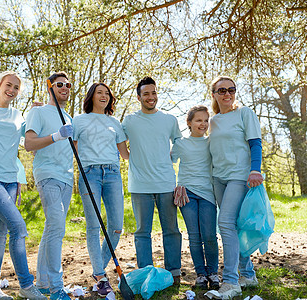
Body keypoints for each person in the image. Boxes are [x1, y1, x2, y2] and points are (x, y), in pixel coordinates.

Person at [0, 71, 46, 300]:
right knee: (18, 227)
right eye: (8, 85)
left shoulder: (18, 116)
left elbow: (32, 139)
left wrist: (38, 112)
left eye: (16, 87)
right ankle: (26, 285)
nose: (12, 90)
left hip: (10, 181)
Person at [121, 76, 182, 284]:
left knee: (171, 229)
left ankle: (174, 271)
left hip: (166, 183)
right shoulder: (130, 120)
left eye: (153, 92)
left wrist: (171, 158)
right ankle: (145, 272)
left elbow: (179, 141)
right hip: (140, 185)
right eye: (146, 93)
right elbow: (118, 139)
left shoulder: (169, 119)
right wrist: (128, 156)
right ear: (139, 97)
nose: (151, 97)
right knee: (142, 232)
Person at [209, 76, 263, 298]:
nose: (227, 94)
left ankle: (231, 282)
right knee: (234, 226)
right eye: (221, 90)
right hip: (218, 178)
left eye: (231, 90)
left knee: (225, 223)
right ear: (213, 94)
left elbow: (255, 143)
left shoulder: (244, 113)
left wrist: (255, 169)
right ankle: (248, 275)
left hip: (239, 176)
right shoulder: (212, 121)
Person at [72, 83, 129, 296]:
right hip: (90, 174)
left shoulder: (115, 122)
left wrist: (153, 155)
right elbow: (72, 150)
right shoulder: (79, 120)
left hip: (113, 174)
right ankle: (100, 274)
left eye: (107, 93)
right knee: (94, 226)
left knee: (116, 226)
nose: (104, 96)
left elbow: (125, 154)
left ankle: (99, 270)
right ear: (91, 96)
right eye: (100, 93)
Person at [24, 71, 74, 300]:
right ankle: (56, 288)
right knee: (57, 227)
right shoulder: (38, 111)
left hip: (67, 178)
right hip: (47, 175)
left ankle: (43, 282)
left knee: (51, 228)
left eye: (68, 85)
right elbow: (29, 143)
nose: (64, 88)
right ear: (50, 87)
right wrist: (56, 135)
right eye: (59, 84)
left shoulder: (69, 117)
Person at [171, 105, 219, 289]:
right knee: (194, 236)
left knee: (209, 235)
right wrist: (175, 186)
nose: (203, 124)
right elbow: (166, 162)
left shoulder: (212, 142)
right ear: (189, 123)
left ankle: (213, 273)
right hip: (187, 194)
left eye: (206, 120)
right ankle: (200, 274)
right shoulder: (180, 143)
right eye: (199, 120)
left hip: (207, 193)